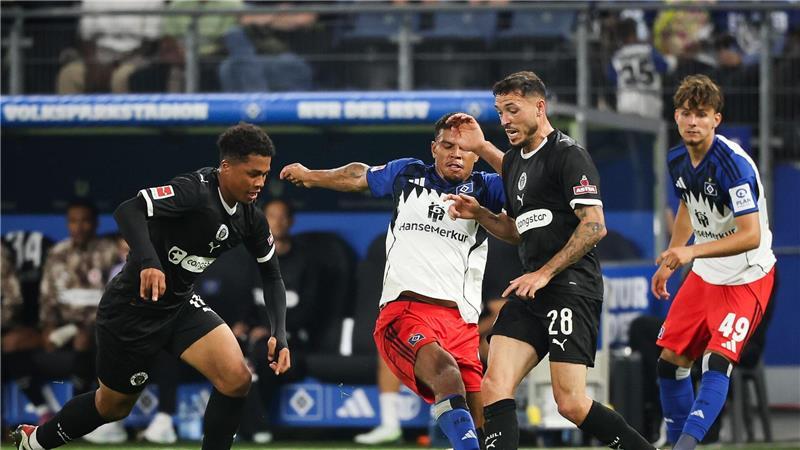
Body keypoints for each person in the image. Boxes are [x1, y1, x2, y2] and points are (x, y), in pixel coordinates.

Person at [13, 122, 291, 450]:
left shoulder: (251, 219)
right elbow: (128, 210)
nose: (260, 183)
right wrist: (150, 262)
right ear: (226, 166)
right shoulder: (194, 191)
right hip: (132, 308)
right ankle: (35, 441)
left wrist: (279, 333)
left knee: (236, 378)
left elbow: (272, 276)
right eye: (253, 174)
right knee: (112, 406)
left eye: (264, 174)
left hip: (179, 305)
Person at [445, 71, 655, 450]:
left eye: (512, 109)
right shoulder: (515, 163)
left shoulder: (568, 155)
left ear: (539, 107)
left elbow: (595, 226)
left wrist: (544, 273)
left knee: (570, 403)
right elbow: (517, 231)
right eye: (500, 112)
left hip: (571, 288)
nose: (505, 120)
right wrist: (480, 214)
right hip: (532, 290)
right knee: (494, 384)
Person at [280, 112, 506, 450]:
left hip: (461, 324)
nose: (456, 154)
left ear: (476, 154)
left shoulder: (486, 189)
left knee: (479, 424)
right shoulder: (409, 174)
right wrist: (312, 176)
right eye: (447, 146)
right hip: (407, 312)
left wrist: (486, 147)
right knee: (447, 375)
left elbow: (526, 181)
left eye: (465, 148)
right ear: (433, 148)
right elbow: (358, 175)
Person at [650, 74, 776, 450]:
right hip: (706, 274)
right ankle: (680, 442)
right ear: (676, 116)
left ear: (716, 120)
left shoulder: (733, 166)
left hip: (747, 276)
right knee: (669, 364)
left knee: (716, 362)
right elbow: (688, 205)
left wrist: (690, 252)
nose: (693, 122)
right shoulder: (677, 159)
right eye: (687, 113)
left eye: (702, 114)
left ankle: (688, 445)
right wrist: (672, 257)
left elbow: (750, 235)